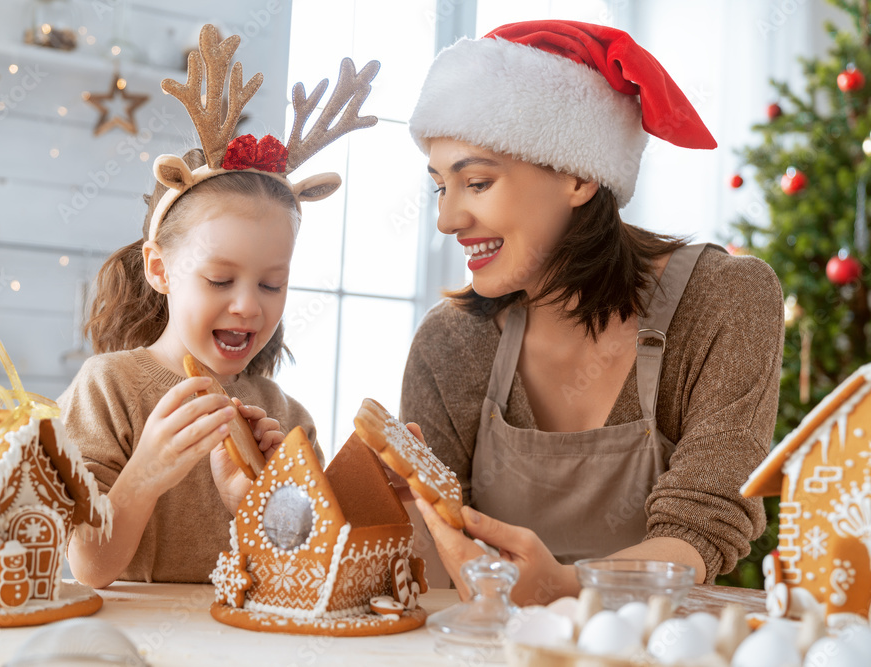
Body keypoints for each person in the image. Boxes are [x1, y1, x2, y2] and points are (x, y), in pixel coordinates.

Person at [400, 20, 784, 604]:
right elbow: (429, 564)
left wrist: (568, 586)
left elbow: (703, 524)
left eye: (476, 182)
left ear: (579, 176)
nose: (447, 220)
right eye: (439, 188)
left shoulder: (724, 302)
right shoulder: (450, 343)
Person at [59, 26, 378, 587]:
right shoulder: (107, 390)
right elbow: (88, 568)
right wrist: (147, 472)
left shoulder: (285, 417)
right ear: (160, 269)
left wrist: (257, 503)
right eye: (220, 279)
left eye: (271, 285)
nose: (248, 307)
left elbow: (307, 574)